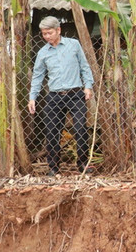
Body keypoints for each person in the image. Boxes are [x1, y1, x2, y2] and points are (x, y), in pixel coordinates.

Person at [28, 17, 95, 176]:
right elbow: (37, 76)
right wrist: (32, 97)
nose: (47, 36)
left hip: (75, 95)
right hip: (54, 97)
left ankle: (83, 164)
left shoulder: (74, 45)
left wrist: (88, 86)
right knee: (52, 132)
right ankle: (53, 168)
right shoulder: (43, 53)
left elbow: (84, 67)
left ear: (58, 30)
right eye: (44, 34)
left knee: (80, 129)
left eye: (49, 33)